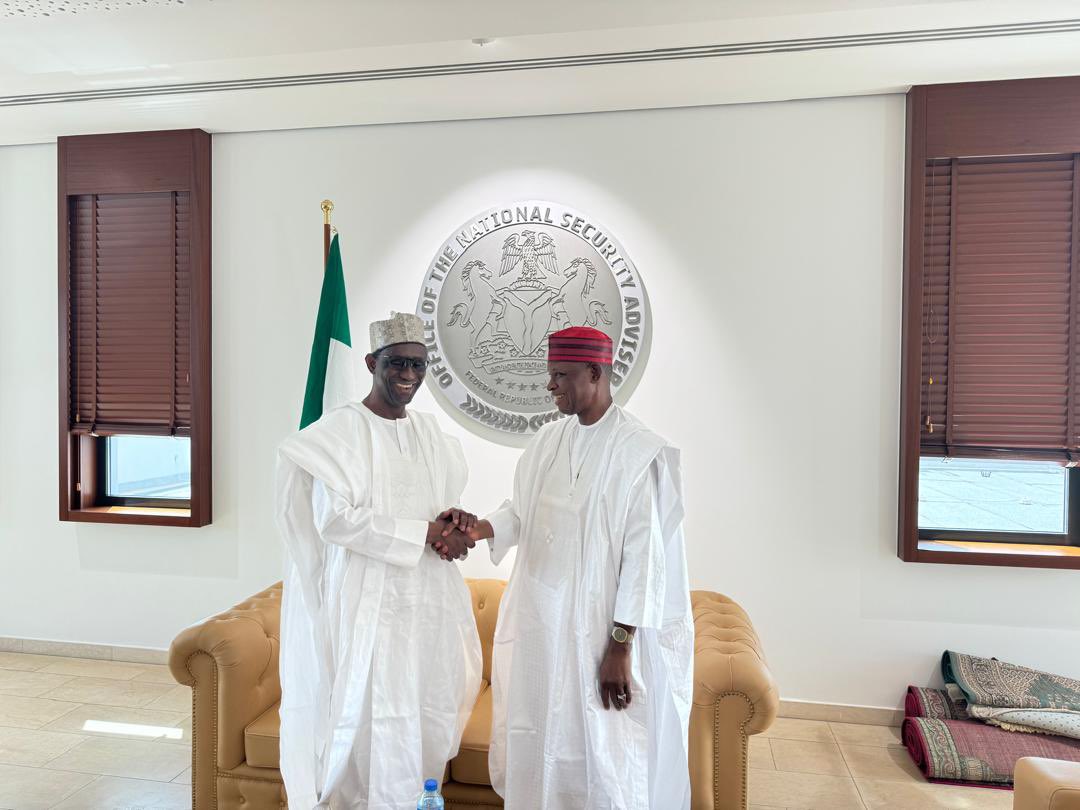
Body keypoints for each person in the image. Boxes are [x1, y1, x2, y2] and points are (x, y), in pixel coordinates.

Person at [452, 325, 694, 809]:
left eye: (560, 375)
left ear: (595, 373)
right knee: (542, 739)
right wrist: (477, 529)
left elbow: (644, 556)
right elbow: (520, 511)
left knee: (603, 750)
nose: (550, 387)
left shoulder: (636, 451)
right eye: (549, 374)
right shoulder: (547, 440)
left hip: (601, 633)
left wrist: (620, 648)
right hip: (543, 630)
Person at [275, 311, 482, 809]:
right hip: (367, 599)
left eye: (417, 364)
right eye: (396, 363)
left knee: (424, 710)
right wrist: (424, 531)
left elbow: (435, 507)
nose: (408, 374)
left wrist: (453, 523)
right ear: (371, 362)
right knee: (366, 717)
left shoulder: (433, 435)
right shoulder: (339, 433)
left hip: (428, 601)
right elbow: (335, 521)